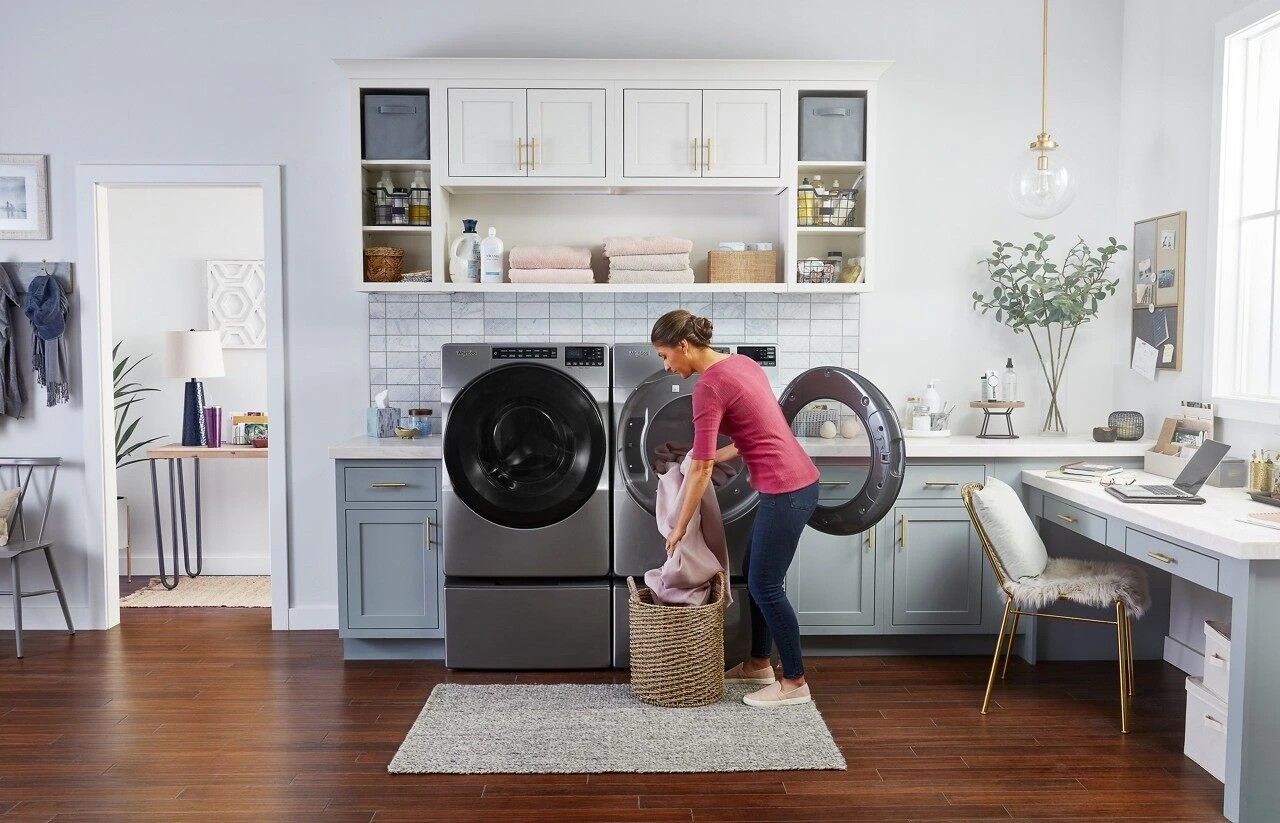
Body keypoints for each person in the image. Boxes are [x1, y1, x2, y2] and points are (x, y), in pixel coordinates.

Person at [650, 309, 820, 707]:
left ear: (684, 346)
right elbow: (752, 436)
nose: (666, 365)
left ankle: (795, 682)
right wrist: (699, 458)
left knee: (765, 585)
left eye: (664, 355)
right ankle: (759, 663)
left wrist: (678, 524)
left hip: (787, 490)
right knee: (757, 576)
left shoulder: (709, 386)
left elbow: (705, 468)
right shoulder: (742, 363)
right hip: (796, 482)